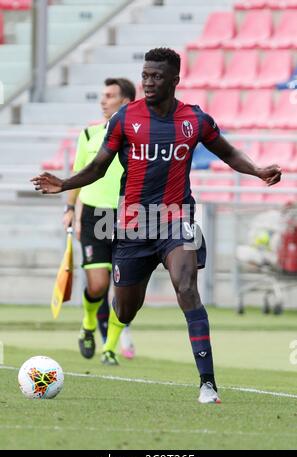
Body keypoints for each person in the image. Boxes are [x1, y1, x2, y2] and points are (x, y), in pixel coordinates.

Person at [32, 48, 281, 404]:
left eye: (156, 76)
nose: (148, 82)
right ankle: (109, 327)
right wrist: (66, 184)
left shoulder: (194, 120)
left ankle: (208, 383)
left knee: (187, 287)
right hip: (132, 227)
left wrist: (256, 170)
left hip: (176, 220)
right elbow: (100, 166)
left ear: (175, 80)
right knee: (125, 309)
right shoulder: (125, 118)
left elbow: (228, 153)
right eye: (145, 75)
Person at [62, 77, 136, 365]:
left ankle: (111, 348)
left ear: (126, 101)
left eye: (110, 95)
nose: (103, 100)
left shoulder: (137, 136)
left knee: (125, 287)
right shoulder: (89, 134)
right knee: (98, 285)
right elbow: (79, 172)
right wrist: (70, 208)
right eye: (102, 95)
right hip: (95, 214)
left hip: (128, 215)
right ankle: (88, 324)